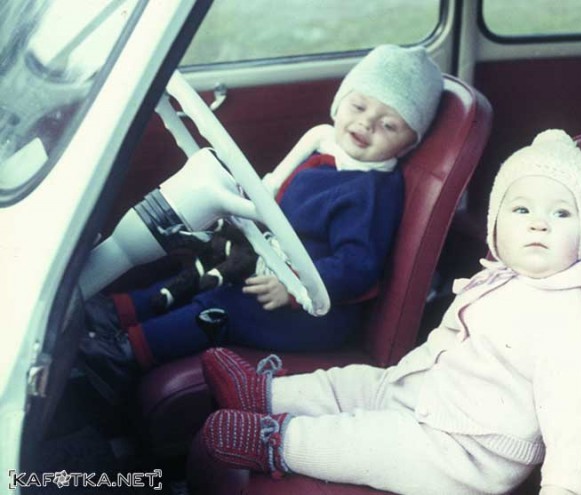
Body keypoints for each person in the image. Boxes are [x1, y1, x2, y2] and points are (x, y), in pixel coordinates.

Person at [198, 129, 581, 495]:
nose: (539, 224)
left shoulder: (573, 315)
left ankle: (278, 442)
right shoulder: (494, 281)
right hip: (422, 394)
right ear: (495, 227)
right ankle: (265, 394)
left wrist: (563, 488)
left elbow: (574, 420)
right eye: (522, 210)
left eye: (561, 213)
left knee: (373, 440)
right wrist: (396, 383)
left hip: (465, 453)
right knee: (352, 383)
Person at [79, 44, 444, 402]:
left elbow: (357, 267)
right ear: (340, 102)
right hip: (274, 265)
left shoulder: (371, 192)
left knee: (224, 304)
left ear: (407, 144)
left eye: (389, 125)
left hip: (316, 309)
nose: (366, 123)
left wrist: (293, 289)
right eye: (359, 106)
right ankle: (117, 312)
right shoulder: (326, 154)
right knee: (202, 266)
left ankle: (127, 354)